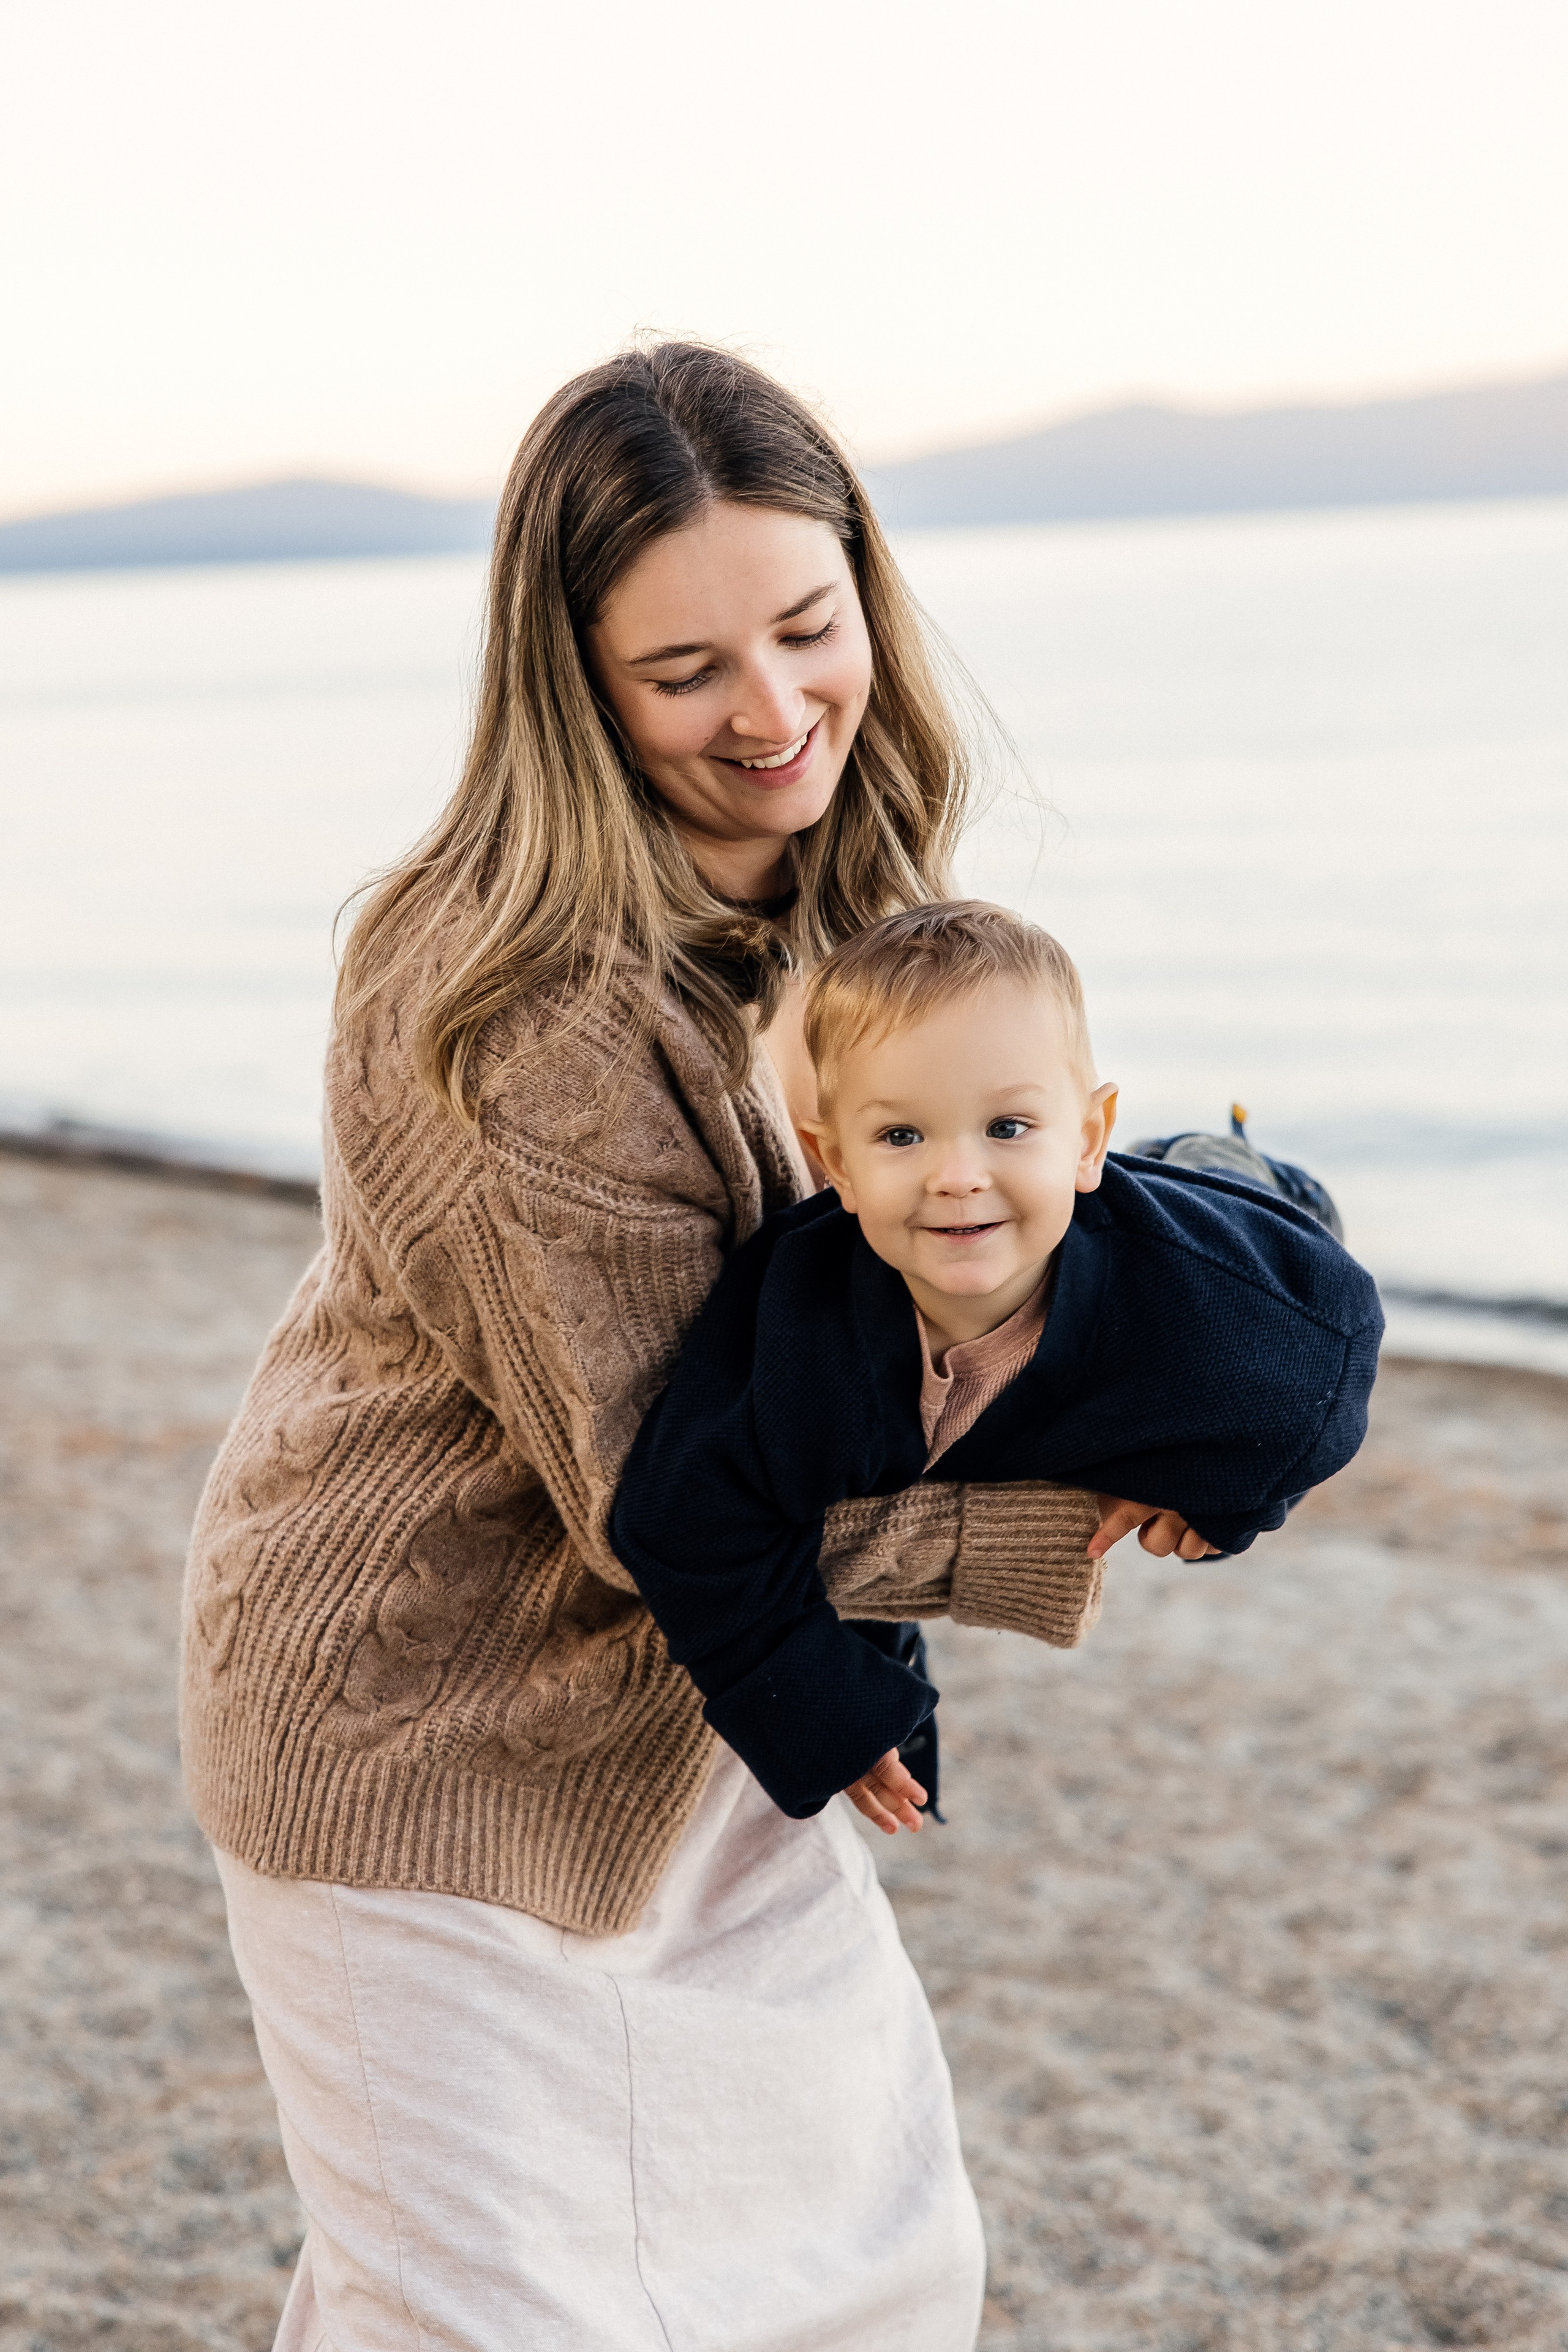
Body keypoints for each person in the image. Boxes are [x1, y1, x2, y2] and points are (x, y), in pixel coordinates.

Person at [181, 343, 1110, 2352]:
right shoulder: (516, 995)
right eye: (686, 672)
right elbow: (659, 1494)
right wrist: (1065, 1511)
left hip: (696, 1707)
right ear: (574, 685)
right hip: (415, 1733)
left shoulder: (854, 921)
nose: (774, 712)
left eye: (807, 628)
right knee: (478, 2318)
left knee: (872, 2270)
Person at [610, 900, 1383, 1834]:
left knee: (1232, 1187)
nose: (957, 1176)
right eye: (902, 1137)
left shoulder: (1223, 1313)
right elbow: (684, 1524)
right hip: (1071, 1218)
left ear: (1087, 1136)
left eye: (1007, 1126)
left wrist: (1225, 1503)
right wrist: (822, 1708)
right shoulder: (795, 1322)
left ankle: (1213, 1160)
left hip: (1235, 1229)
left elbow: (1334, 1352)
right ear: (834, 1163)